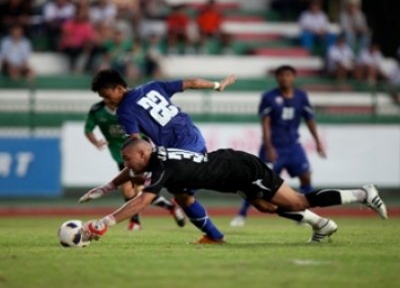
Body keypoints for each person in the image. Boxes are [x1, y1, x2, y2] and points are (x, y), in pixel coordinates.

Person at [80, 139, 388, 244]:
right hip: (231, 172)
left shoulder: (161, 166)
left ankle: (362, 194)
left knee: (299, 200)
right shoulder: (154, 155)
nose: (126, 163)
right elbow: (132, 171)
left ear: (143, 153)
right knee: (267, 208)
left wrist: (104, 223)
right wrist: (108, 186)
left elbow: (142, 201)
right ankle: (321, 225)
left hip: (242, 170)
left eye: (128, 157)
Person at [85, 69, 237, 244]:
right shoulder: (153, 86)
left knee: (153, 192)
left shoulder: (125, 111)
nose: (107, 102)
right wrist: (218, 85)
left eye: (107, 96)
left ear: (119, 88)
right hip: (195, 139)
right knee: (182, 196)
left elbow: (136, 147)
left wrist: (111, 185)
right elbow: (192, 83)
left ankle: (104, 224)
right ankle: (214, 236)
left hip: (177, 153)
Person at [230, 65, 326, 227]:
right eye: (281, 75)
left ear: (293, 77)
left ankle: (304, 214)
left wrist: (318, 142)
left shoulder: (301, 96)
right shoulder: (269, 97)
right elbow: (265, 124)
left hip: (293, 146)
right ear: (277, 78)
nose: (285, 78)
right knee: (257, 183)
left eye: (288, 75)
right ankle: (242, 215)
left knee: (306, 176)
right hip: (274, 147)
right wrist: (269, 147)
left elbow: (309, 119)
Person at [84, 99, 186, 230]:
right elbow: (88, 129)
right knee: (135, 191)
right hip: (121, 156)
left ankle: (136, 223)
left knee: (132, 189)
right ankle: (170, 207)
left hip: (137, 156)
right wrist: (96, 142)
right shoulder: (97, 111)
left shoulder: (130, 107)